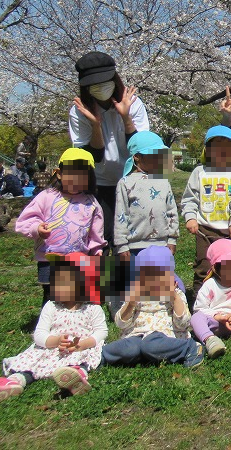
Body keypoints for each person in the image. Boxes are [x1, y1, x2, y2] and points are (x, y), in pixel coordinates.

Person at [0, 254, 107, 406]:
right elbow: (39, 334)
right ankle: (13, 382)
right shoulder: (51, 306)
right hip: (49, 349)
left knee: (81, 360)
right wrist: (55, 341)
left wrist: (84, 344)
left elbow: (101, 332)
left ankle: (76, 376)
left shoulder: (93, 309)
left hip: (78, 349)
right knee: (30, 363)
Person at [69, 51, 150, 248]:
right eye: (94, 84)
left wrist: (126, 117)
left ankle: (129, 269)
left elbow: (141, 151)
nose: (100, 87)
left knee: (132, 239)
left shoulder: (134, 104)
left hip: (132, 181)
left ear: (114, 79)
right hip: (100, 183)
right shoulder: (78, 112)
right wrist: (95, 125)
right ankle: (104, 269)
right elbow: (92, 158)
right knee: (101, 239)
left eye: (104, 81)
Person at [15, 148, 106, 307]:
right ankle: (49, 319)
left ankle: (76, 318)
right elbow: (26, 220)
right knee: (51, 295)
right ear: (59, 174)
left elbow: (96, 230)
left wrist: (96, 250)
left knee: (76, 294)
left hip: (79, 259)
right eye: (72, 174)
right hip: (49, 258)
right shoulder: (47, 196)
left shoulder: (91, 202)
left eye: (83, 175)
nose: (77, 180)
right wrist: (37, 229)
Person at [101, 245, 205, 368]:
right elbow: (120, 324)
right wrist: (131, 303)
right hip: (137, 337)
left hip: (164, 337)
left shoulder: (175, 293)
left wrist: (174, 297)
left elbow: (183, 324)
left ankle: (191, 347)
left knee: (151, 345)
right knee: (130, 349)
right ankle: (98, 356)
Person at [180, 125, 231, 293]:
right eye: (217, 147)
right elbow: (189, 198)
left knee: (228, 266)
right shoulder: (200, 172)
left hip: (227, 230)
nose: (222, 151)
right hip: (204, 229)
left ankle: (227, 298)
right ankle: (199, 299)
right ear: (207, 150)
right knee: (204, 265)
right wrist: (190, 217)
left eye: (227, 147)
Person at [114, 131, 179, 256]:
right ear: (137, 157)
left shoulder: (163, 181)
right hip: (134, 247)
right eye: (153, 155)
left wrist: (172, 238)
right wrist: (122, 245)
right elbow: (121, 215)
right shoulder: (125, 183)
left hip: (162, 245)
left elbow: (172, 211)